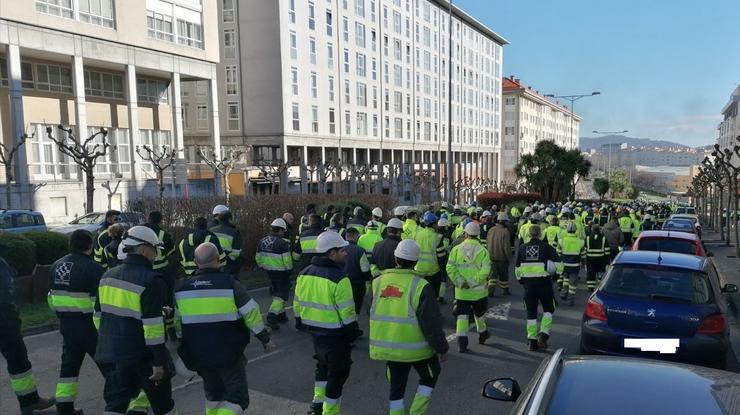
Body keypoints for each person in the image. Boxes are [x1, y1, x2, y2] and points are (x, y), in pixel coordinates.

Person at [175, 242, 274, 415]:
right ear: (218, 259)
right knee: (238, 399)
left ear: (195, 262)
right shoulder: (230, 284)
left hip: (198, 355)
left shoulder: (181, 287)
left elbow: (177, 324)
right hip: (228, 354)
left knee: (213, 396)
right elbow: (252, 314)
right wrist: (265, 339)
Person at [95, 226, 178, 415]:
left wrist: (112, 339)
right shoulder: (152, 280)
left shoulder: (107, 276)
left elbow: (99, 317)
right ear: (143, 249)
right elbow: (153, 328)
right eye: (155, 248)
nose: (156, 253)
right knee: (164, 406)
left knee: (116, 404)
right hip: (144, 357)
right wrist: (158, 362)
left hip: (114, 354)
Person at [369, 240, 449, 415]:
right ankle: (417, 412)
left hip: (390, 348)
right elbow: (432, 323)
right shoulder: (421, 286)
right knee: (430, 376)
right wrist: (442, 348)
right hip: (418, 350)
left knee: (396, 388)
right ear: (415, 261)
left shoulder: (378, 282)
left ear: (395, 258)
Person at [293, 231, 362, 415]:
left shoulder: (304, 273)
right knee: (338, 375)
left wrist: (300, 322)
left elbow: (297, 304)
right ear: (332, 253)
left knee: (322, 367)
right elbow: (347, 313)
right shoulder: (340, 278)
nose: (346, 253)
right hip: (336, 336)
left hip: (316, 334)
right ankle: (329, 411)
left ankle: (317, 403)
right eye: (342, 250)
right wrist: (352, 333)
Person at [48, 230, 106, 415]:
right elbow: (100, 303)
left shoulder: (56, 266)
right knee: (109, 366)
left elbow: (51, 299)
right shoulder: (95, 269)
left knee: (69, 368)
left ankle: (64, 407)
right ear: (90, 246)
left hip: (67, 325)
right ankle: (121, 403)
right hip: (90, 328)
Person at [1, 255, 55, 414]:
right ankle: (29, 402)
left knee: (19, 362)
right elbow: (6, 292)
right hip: (4, 322)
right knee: (18, 360)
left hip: (5, 321)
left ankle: (30, 401)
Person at [445, 222, 491, 353]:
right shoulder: (483, 251)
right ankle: (482, 333)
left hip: (461, 292)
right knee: (480, 314)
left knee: (462, 317)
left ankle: (462, 343)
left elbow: (450, 267)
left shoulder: (456, 250)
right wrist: (472, 282)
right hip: (479, 292)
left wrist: (460, 282)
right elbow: (485, 271)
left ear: (465, 233)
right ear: (477, 234)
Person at [515, 225, 559, 351]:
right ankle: (543, 335)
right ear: (541, 234)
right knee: (549, 309)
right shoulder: (547, 248)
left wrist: (522, 281)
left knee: (531, 314)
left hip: (529, 286)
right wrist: (555, 277)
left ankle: (531, 341)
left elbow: (517, 269)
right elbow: (559, 264)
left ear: (529, 235)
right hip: (545, 284)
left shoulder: (522, 248)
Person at [256, 218, 294, 330]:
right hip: (281, 272)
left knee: (276, 292)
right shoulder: (282, 243)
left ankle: (281, 315)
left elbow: (258, 257)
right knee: (281, 295)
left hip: (269, 272)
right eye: (284, 231)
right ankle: (271, 316)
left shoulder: (262, 241)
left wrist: (263, 266)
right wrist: (289, 270)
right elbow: (287, 260)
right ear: (281, 230)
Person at [414, 212, 445, 298]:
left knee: (420, 295)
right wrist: (443, 271)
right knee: (433, 296)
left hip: (419, 270)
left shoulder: (417, 235)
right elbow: (441, 257)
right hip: (434, 271)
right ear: (434, 224)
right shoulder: (437, 237)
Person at [343, 227, 372, 315]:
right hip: (357, 285)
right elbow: (365, 269)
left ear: (346, 237)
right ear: (356, 236)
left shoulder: (339, 249)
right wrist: (368, 279)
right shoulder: (360, 251)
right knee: (356, 309)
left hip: (342, 283)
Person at [557, 223, 586, 306]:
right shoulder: (580, 242)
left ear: (567, 230)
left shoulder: (562, 240)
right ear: (575, 230)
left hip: (564, 265)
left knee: (565, 279)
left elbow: (558, 253)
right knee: (573, 284)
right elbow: (583, 255)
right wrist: (583, 263)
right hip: (575, 266)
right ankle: (570, 300)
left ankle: (563, 293)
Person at [210, 210, 244, 275]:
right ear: (229, 219)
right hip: (228, 264)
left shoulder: (211, 230)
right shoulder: (234, 232)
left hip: (212, 261)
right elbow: (236, 252)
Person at [487, 213, 512, 297]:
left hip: (491, 256)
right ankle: (505, 290)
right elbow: (506, 247)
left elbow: (487, 243)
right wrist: (509, 258)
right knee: (503, 275)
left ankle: (490, 291)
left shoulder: (491, 230)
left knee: (492, 275)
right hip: (502, 258)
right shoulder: (505, 231)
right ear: (503, 222)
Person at [585, 224, 610, 292]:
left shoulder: (587, 238)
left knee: (591, 273)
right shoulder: (603, 238)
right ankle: (600, 287)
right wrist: (607, 260)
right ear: (599, 230)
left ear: (592, 230)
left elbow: (585, 249)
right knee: (601, 273)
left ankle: (590, 287)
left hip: (590, 259)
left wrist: (584, 259)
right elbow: (607, 250)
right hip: (601, 259)